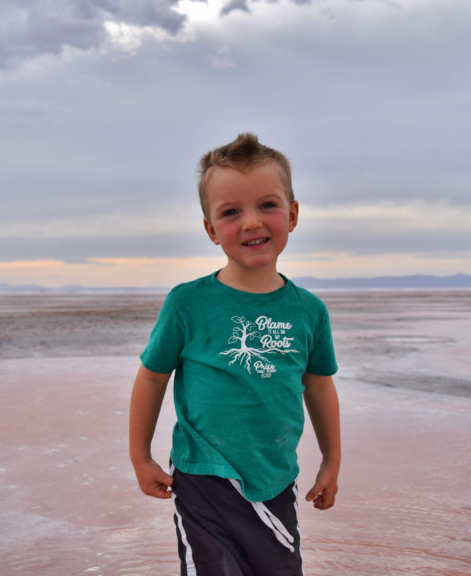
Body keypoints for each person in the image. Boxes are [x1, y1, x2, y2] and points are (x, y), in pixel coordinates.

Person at [129, 132, 341, 575]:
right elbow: (152, 377)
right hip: (202, 477)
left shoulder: (308, 311)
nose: (251, 223)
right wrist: (140, 456)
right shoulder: (188, 303)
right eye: (231, 212)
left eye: (267, 205)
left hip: (274, 478)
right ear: (210, 229)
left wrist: (331, 461)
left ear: (293, 214)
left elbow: (318, 386)